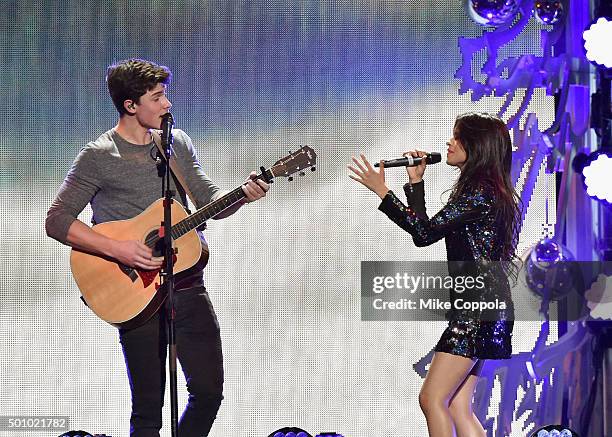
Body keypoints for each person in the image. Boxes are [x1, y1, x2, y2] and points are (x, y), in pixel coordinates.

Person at [46, 58, 269, 437]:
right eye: (157, 97)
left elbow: (210, 203)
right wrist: (120, 251)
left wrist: (244, 196)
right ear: (130, 105)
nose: (167, 104)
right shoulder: (99, 156)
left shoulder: (175, 144)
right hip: (134, 291)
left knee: (209, 392)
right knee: (148, 412)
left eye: (164, 95)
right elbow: (57, 220)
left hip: (186, 286)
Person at [348, 112, 521, 436]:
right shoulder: (486, 191)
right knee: (457, 405)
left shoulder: (478, 193)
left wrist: (383, 191)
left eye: (457, 137)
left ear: (476, 145)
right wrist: (416, 183)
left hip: (476, 311)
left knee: (432, 399)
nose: (449, 143)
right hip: (487, 308)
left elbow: (424, 233)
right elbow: (423, 233)